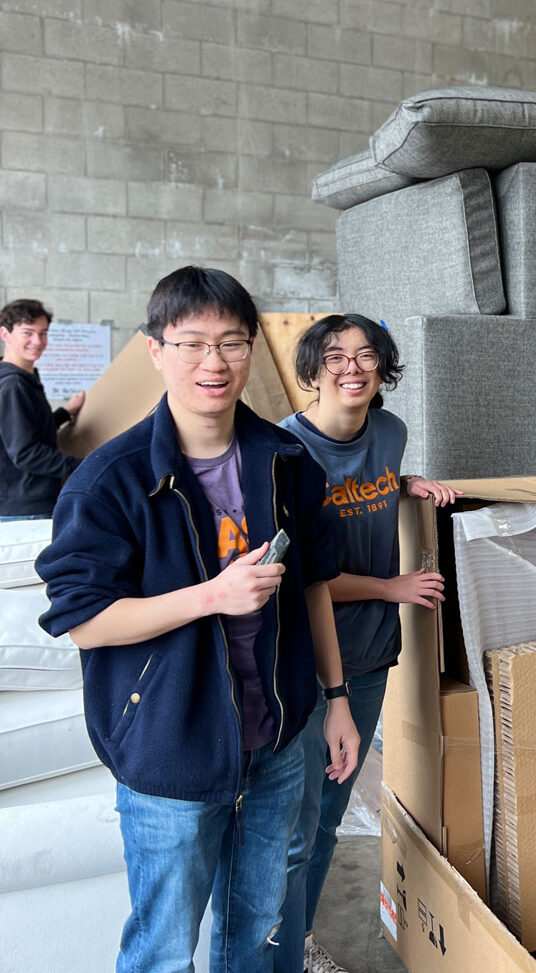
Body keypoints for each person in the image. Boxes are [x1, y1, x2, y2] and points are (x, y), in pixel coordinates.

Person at [36, 267, 361, 973]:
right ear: (155, 350)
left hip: (273, 746)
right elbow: (85, 622)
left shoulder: (285, 461)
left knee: (256, 933)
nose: (213, 363)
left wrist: (336, 700)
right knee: (161, 948)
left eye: (232, 342)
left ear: (252, 350)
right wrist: (211, 595)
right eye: (191, 343)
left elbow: (312, 586)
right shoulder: (109, 480)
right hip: (170, 753)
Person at [275, 313, 459, 973]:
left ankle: (297, 941)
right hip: (305, 664)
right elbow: (300, 579)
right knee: (292, 830)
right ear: (312, 368)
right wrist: (391, 587)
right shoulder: (285, 451)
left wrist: (407, 486)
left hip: (374, 656)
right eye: (334, 356)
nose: (351, 367)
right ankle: (274, 952)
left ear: (383, 367)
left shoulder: (390, 432)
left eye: (365, 355)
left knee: (326, 820)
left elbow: (371, 489)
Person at [0, 297, 85, 518]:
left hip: (29, 500)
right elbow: (26, 452)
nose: (37, 341)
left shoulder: (25, 377)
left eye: (43, 333)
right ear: (5, 335)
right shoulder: (13, 385)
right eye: (27, 333)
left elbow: (28, 428)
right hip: (25, 507)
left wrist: (65, 413)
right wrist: (84, 466)